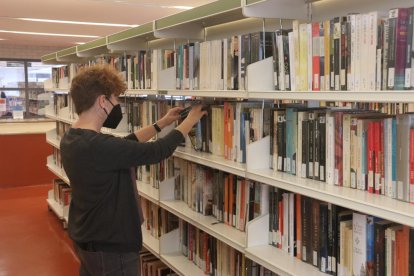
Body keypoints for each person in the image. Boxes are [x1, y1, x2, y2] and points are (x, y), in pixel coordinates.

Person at [60, 65, 206, 276]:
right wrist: (190, 121)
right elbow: (158, 151)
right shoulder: (99, 146)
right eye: (115, 99)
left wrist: (161, 124)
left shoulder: (73, 138)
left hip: (87, 239)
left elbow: (125, 147)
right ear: (102, 101)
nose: (117, 104)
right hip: (111, 248)